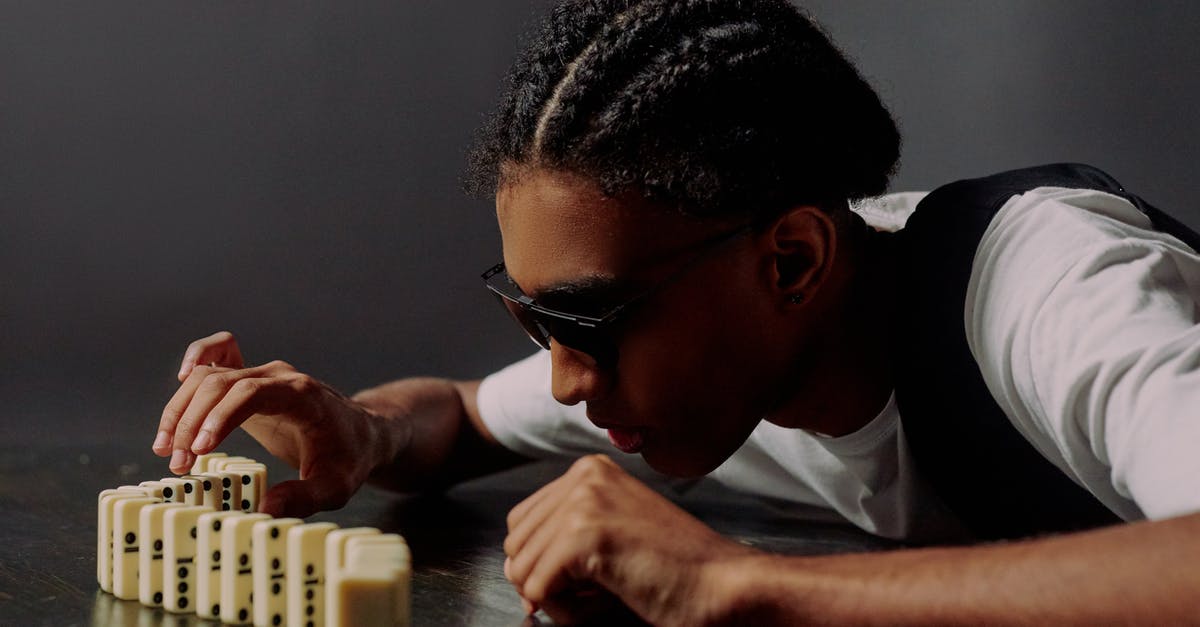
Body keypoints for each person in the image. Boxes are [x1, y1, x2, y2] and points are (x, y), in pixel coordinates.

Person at [151, 0, 1200, 623]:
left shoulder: (1057, 286)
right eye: (537, 321)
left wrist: (745, 589)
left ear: (791, 262)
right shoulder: (720, 359)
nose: (568, 380)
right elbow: (464, 419)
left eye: (592, 324)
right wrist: (363, 433)